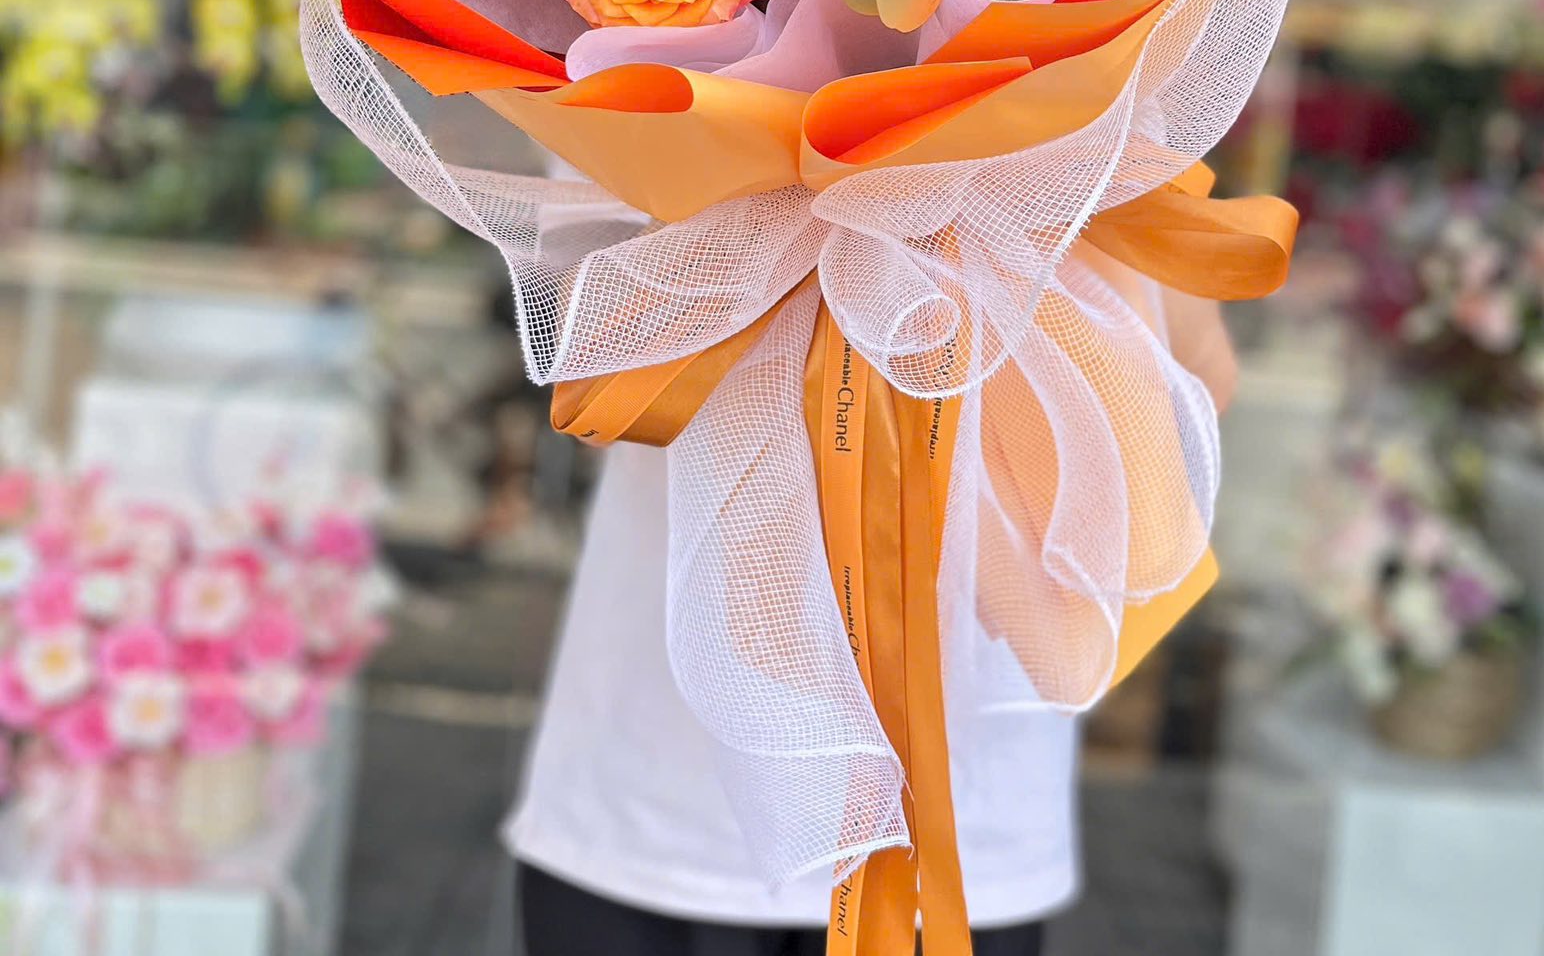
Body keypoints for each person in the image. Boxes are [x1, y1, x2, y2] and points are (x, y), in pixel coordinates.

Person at [505, 287, 1239, 956]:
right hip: (652, 800)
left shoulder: (1100, 180)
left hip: (954, 822)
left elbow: (1193, 379)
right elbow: (588, 369)